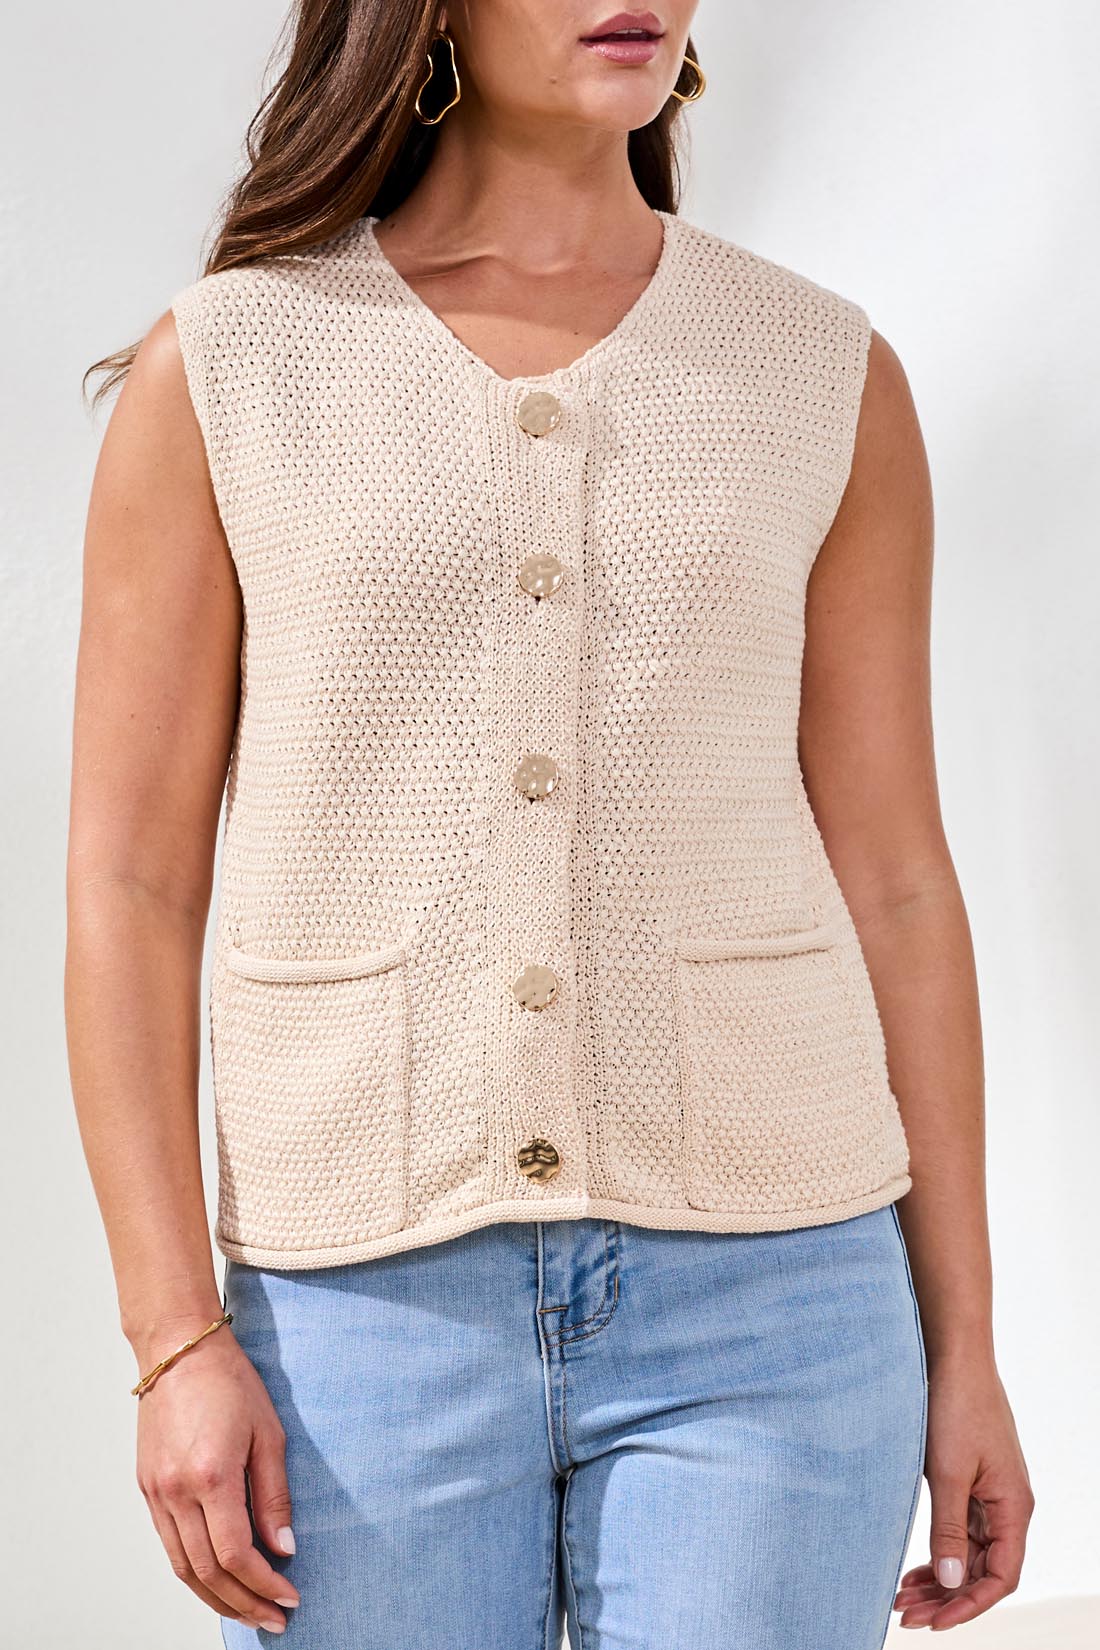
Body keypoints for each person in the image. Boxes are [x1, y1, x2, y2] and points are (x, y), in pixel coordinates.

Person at [67, 3, 1034, 1645]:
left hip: (778, 1302)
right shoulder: (231, 366)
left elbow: (898, 885)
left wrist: (969, 1348)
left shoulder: (821, 372)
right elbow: (132, 882)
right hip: (361, 1308)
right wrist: (172, 1339)